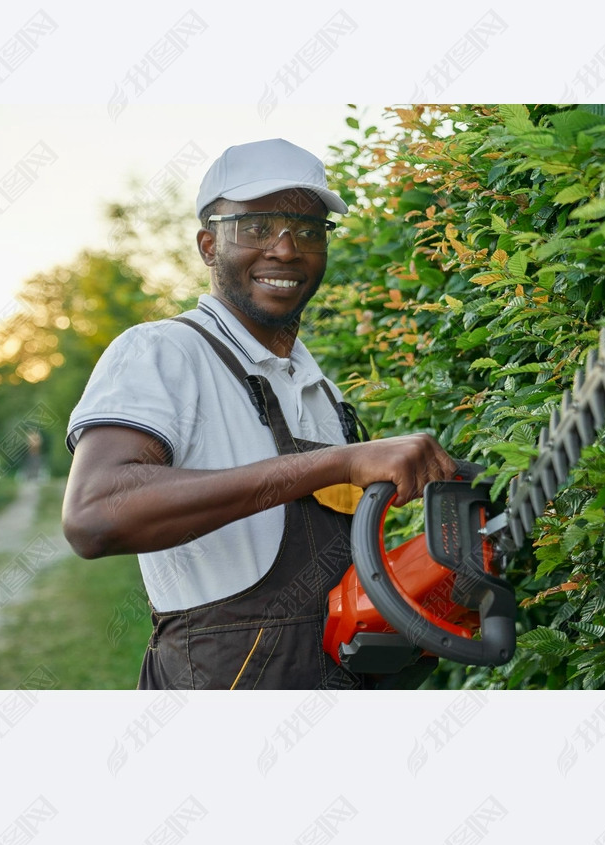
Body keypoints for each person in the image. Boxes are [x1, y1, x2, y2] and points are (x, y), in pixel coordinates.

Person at [61, 138, 455, 689]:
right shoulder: (163, 352)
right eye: (256, 227)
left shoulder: (320, 389)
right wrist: (337, 463)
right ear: (207, 245)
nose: (286, 249)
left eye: (310, 231)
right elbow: (95, 515)